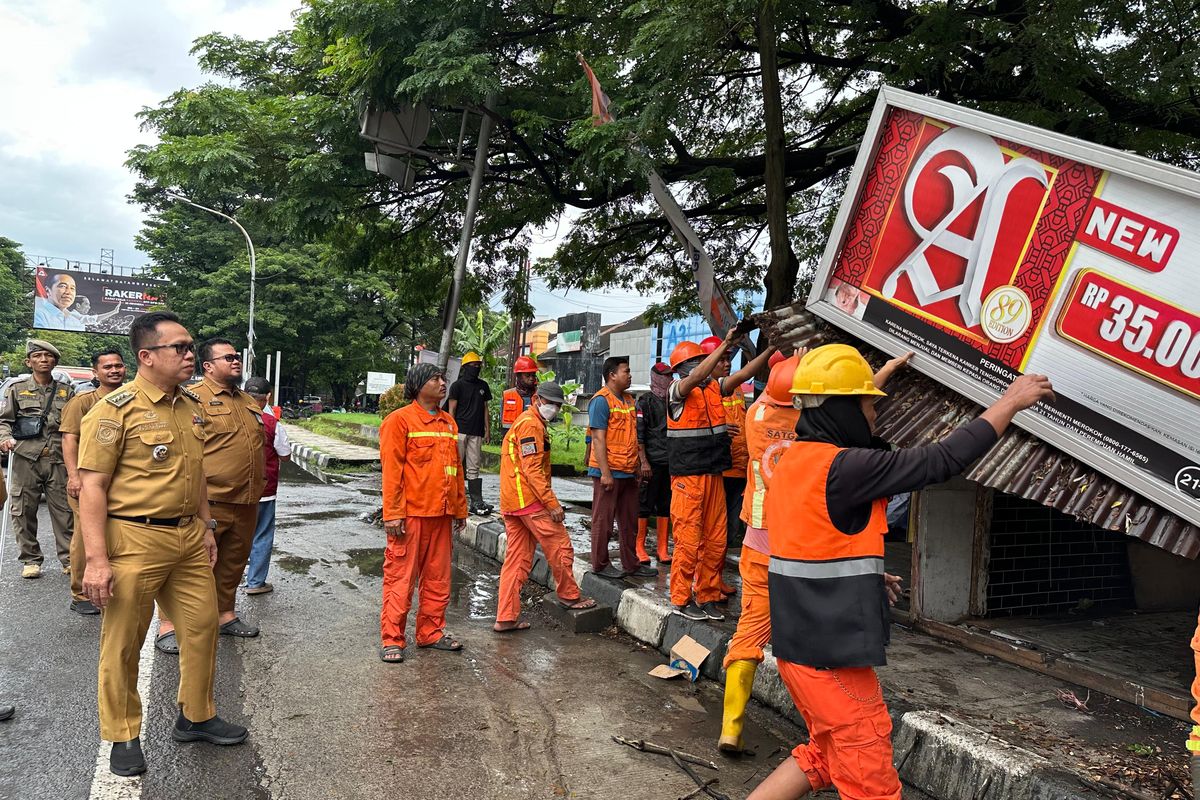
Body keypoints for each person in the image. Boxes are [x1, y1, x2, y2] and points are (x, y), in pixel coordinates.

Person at [747, 345, 1054, 800]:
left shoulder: (792, 462)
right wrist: (1010, 401)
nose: (874, 418)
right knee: (871, 781)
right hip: (832, 659)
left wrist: (868, 581)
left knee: (823, 756)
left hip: (800, 649)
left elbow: (814, 547)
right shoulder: (844, 467)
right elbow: (940, 460)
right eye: (869, 405)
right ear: (842, 409)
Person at [78, 311, 247, 777]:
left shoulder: (188, 406)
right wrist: (96, 560)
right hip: (134, 536)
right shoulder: (115, 410)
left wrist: (208, 528)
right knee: (124, 641)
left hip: (189, 537)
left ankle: (196, 714)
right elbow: (92, 486)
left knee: (202, 627)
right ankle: (123, 733)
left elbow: (196, 477)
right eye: (180, 348)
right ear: (146, 356)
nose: (190, 354)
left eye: (191, 347)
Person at [156, 339, 264, 654]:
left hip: (245, 501)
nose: (236, 361)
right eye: (228, 357)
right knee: (191, 565)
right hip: (209, 501)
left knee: (232, 563)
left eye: (237, 357)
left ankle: (224, 615)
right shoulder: (191, 400)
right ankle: (170, 625)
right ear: (207, 365)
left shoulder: (248, 402)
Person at [667, 328, 775, 622]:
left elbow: (742, 376)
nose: (714, 364)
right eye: (702, 361)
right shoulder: (676, 390)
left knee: (716, 540)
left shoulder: (714, 389)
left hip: (714, 473)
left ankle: (708, 594)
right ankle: (680, 598)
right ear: (686, 368)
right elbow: (694, 378)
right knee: (688, 541)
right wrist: (726, 342)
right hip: (688, 478)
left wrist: (769, 350)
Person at [378, 363, 467, 663]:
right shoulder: (398, 421)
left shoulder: (448, 424)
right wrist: (392, 513)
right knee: (401, 579)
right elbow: (392, 472)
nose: (443, 384)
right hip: (411, 516)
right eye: (436, 379)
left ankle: (431, 633)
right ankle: (392, 639)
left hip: (441, 515)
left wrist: (460, 508)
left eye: (443, 378)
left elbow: (456, 470)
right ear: (418, 385)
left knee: (438, 579)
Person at [495, 381, 595, 632]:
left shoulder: (531, 422)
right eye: (551, 403)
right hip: (529, 501)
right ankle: (570, 595)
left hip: (514, 502)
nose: (555, 408)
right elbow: (533, 471)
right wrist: (552, 504)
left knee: (516, 560)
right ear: (538, 398)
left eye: (558, 405)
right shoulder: (530, 424)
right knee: (560, 546)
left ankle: (506, 617)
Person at [61, 348, 128, 614]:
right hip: (87, 481)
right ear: (95, 372)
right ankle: (80, 594)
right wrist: (74, 477)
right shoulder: (83, 401)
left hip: (117, 481)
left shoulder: (131, 398)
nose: (114, 370)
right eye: (107, 367)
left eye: (118, 366)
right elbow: (69, 439)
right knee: (86, 534)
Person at [0, 339, 75, 579]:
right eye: (38, 356)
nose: (44, 360)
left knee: (65, 511)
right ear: (28, 361)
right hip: (25, 457)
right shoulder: (17, 389)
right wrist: (4, 438)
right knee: (23, 510)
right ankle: (30, 559)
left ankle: (70, 558)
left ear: (55, 361)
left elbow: (75, 426)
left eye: (48, 356)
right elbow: (4, 421)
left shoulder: (67, 391)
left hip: (58, 457)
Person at [587, 356, 656, 579]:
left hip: (627, 471)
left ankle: (631, 564)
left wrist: (637, 465)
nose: (630, 375)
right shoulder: (600, 401)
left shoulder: (628, 400)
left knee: (629, 522)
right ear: (612, 375)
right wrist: (605, 473)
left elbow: (634, 436)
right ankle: (600, 564)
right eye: (626, 371)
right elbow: (598, 439)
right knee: (603, 522)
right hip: (609, 473)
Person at [242, 377, 291, 596]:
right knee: (261, 535)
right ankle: (255, 583)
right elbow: (285, 455)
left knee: (233, 536)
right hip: (264, 491)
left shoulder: (232, 419)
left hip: (231, 492)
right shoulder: (272, 424)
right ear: (268, 397)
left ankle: (221, 584)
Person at [636, 362, 673, 566]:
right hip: (651, 463)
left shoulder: (673, 400)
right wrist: (644, 462)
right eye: (666, 376)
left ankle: (662, 548)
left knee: (665, 505)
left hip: (670, 462)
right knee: (644, 504)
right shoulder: (645, 402)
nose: (669, 379)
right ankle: (639, 546)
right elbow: (639, 434)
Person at [447, 350, 493, 515]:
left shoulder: (483, 386)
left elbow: (485, 409)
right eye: (473, 365)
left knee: (474, 466)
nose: (476, 368)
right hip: (459, 431)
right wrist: (451, 428)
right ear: (465, 367)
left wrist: (487, 430)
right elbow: (452, 408)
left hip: (477, 431)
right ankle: (453, 497)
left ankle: (476, 501)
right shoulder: (457, 386)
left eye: (478, 365)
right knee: (455, 464)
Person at [33, 272, 122, 331]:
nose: (68, 292)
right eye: (63, 286)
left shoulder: (71, 319)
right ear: (48, 291)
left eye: (72, 288)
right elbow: (91, 319)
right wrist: (114, 312)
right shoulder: (41, 314)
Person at [500, 355, 539, 430]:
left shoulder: (540, 395)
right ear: (519, 376)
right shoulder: (507, 395)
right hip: (512, 437)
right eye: (527, 375)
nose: (531, 378)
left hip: (534, 436)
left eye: (533, 375)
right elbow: (503, 422)